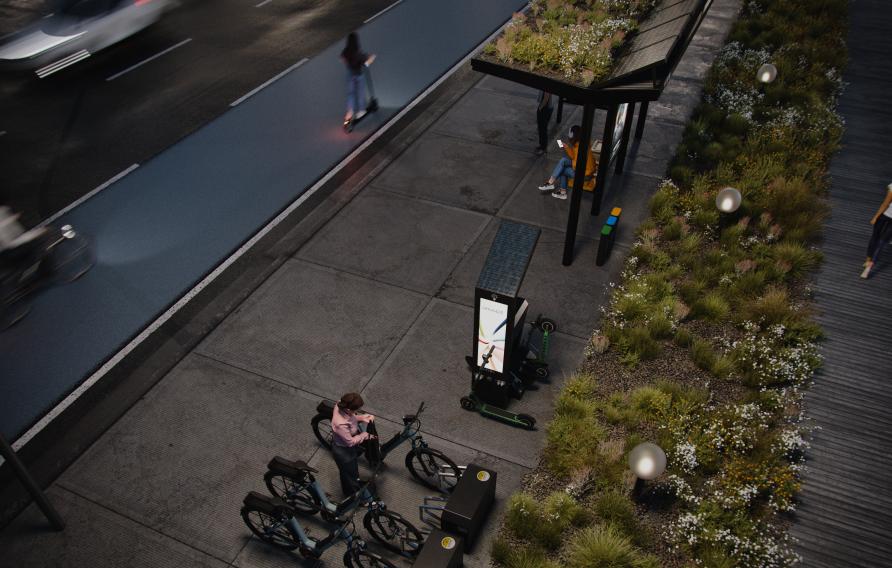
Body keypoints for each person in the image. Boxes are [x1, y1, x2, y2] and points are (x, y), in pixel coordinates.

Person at [331, 392, 377, 497]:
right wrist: (364, 435)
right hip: (344, 451)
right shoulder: (340, 424)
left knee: (352, 471)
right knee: (349, 475)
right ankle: (353, 496)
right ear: (348, 409)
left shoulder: (341, 404)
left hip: (348, 446)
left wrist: (361, 417)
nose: (356, 412)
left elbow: (351, 417)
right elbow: (350, 442)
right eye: (355, 410)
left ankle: (355, 484)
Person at [537, 125, 597, 200]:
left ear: (572, 135)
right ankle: (551, 183)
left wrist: (571, 165)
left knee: (563, 170)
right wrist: (566, 147)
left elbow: (576, 165)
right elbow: (574, 157)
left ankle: (560, 191)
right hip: (584, 169)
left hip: (584, 174)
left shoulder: (579, 148)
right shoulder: (580, 144)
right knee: (563, 161)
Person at [341, 33, 376, 133]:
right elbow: (366, 63)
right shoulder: (358, 53)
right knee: (360, 92)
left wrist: (349, 63)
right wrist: (371, 57)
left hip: (350, 74)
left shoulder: (346, 51)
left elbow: (342, 58)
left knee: (351, 94)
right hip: (358, 75)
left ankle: (349, 112)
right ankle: (361, 110)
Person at [861, 183, 892, 278]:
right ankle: (868, 268)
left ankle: (867, 260)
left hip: (885, 216)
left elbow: (885, 204)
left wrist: (875, 217)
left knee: (875, 236)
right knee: (882, 242)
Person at [534, 91, 553, 155]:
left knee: (543, 128)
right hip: (546, 108)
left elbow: (546, 98)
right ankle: (542, 145)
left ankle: (543, 148)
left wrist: (540, 107)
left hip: (545, 109)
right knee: (541, 128)